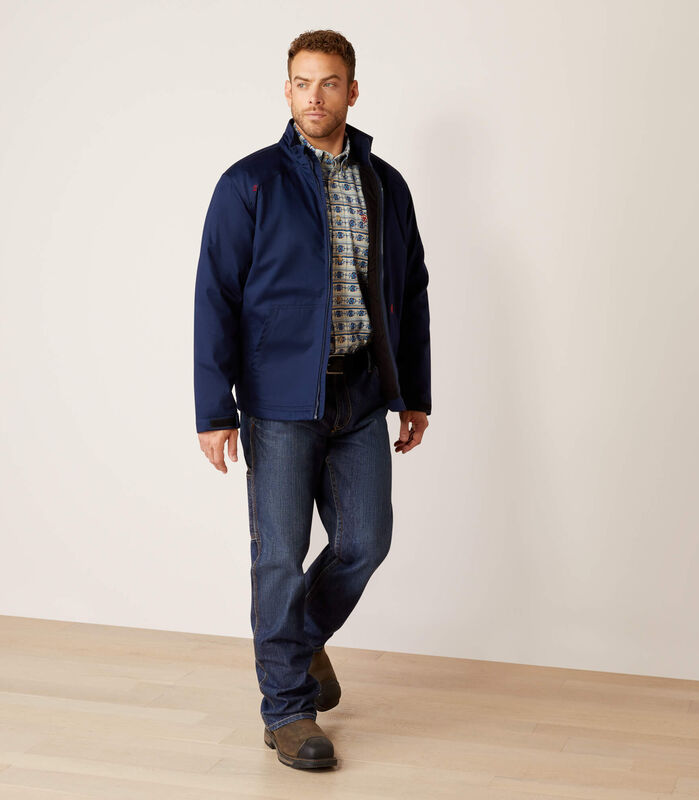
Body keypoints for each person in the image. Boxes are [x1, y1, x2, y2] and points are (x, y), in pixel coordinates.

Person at [193, 29, 431, 770]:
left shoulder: (385, 184)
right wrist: (214, 408)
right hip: (278, 402)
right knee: (280, 558)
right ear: (287, 90)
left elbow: (410, 292)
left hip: (361, 392)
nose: (315, 96)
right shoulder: (250, 182)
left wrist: (414, 393)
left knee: (366, 542)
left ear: (352, 91)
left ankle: (296, 643)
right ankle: (288, 711)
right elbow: (216, 294)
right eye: (302, 82)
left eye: (329, 82)